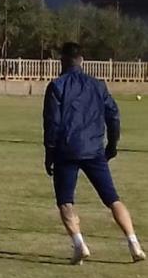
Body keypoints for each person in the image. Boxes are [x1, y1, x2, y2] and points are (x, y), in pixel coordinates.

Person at [43, 42, 144, 264]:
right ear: (82, 60)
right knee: (112, 198)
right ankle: (133, 242)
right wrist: (112, 144)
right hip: (94, 149)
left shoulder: (57, 86)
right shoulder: (98, 85)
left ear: (62, 60)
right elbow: (113, 115)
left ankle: (79, 244)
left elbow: (52, 123)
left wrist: (49, 153)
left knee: (65, 201)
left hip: (66, 150)